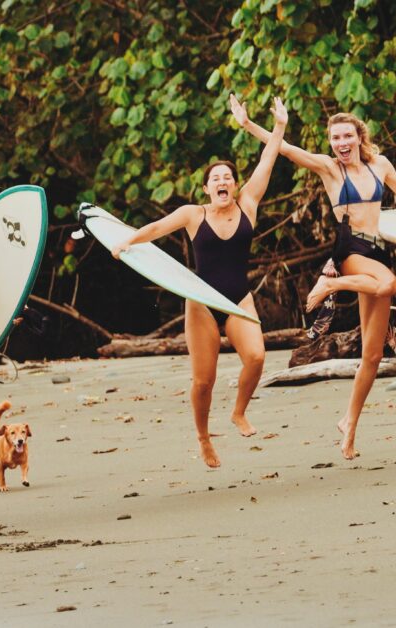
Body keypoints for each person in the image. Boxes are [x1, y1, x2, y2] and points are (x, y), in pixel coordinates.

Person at [238, 107, 396, 459]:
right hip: (349, 248)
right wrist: (251, 125)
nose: (341, 143)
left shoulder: (379, 165)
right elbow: (285, 148)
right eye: (335, 138)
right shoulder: (329, 169)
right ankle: (331, 286)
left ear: (359, 137)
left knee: (373, 354)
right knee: (389, 285)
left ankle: (349, 425)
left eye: (347, 136)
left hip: (378, 251)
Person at [110, 96, 288, 468]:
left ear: (236, 186)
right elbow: (157, 229)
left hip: (239, 299)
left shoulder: (248, 205)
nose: (222, 182)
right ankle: (204, 437)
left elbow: (267, 160)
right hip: (201, 303)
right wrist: (126, 241)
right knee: (203, 382)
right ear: (207, 188)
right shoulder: (193, 214)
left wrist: (280, 127)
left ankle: (239, 412)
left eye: (228, 178)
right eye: (216, 179)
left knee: (256, 357)